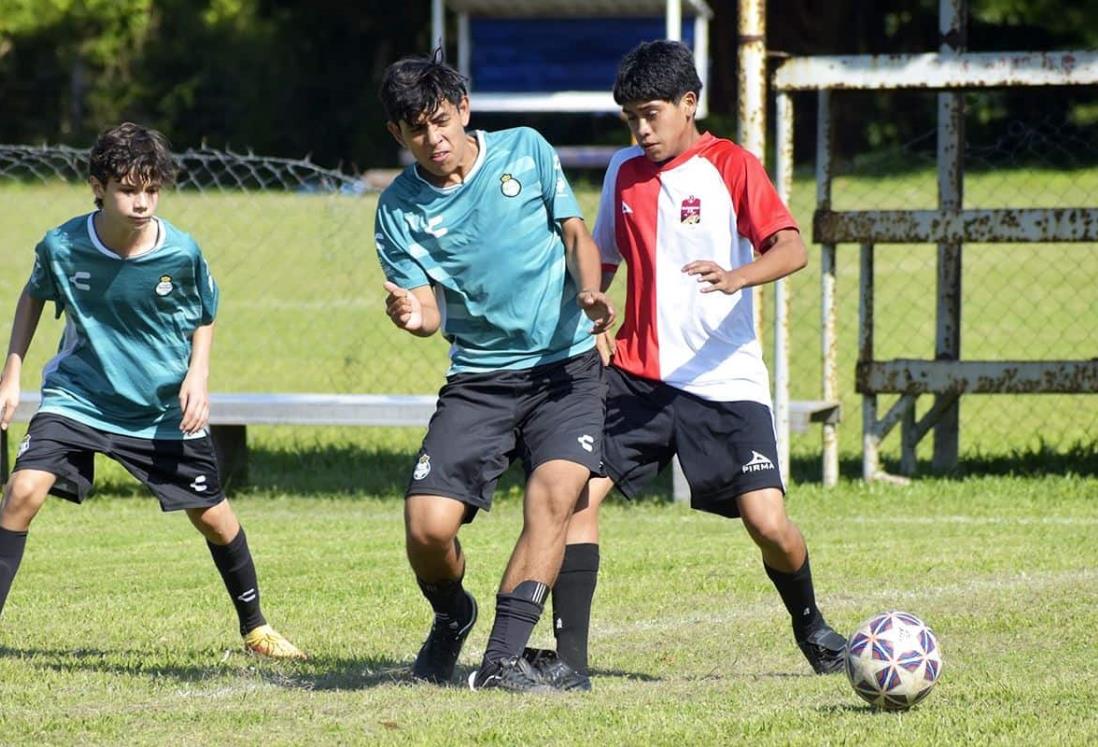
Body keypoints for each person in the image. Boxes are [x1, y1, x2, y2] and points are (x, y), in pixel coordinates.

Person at [543, 40, 846, 687]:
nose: (641, 129)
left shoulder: (732, 166)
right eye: (630, 118)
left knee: (769, 523)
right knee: (571, 499)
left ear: (690, 103)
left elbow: (790, 247)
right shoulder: (624, 172)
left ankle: (813, 625)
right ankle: (570, 666)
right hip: (637, 377)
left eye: (651, 114)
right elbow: (602, 256)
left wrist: (737, 276)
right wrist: (593, 295)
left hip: (725, 381)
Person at [0, 122, 304, 660]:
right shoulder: (63, 245)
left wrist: (198, 377)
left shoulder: (180, 252)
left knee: (214, 517)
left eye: (151, 190)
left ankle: (256, 627)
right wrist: (12, 372)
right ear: (98, 186)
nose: (141, 203)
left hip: (159, 407)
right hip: (80, 396)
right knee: (22, 492)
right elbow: (32, 294)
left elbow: (205, 315)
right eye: (127, 190)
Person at [375, 51, 613, 693]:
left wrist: (589, 293)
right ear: (399, 135)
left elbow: (574, 233)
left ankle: (504, 658)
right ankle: (454, 613)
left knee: (556, 494)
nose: (436, 139)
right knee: (427, 529)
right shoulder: (398, 209)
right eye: (419, 130)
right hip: (480, 380)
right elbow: (427, 313)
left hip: (564, 370)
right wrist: (410, 313)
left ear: (465, 110)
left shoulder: (526, 152)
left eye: (443, 121)